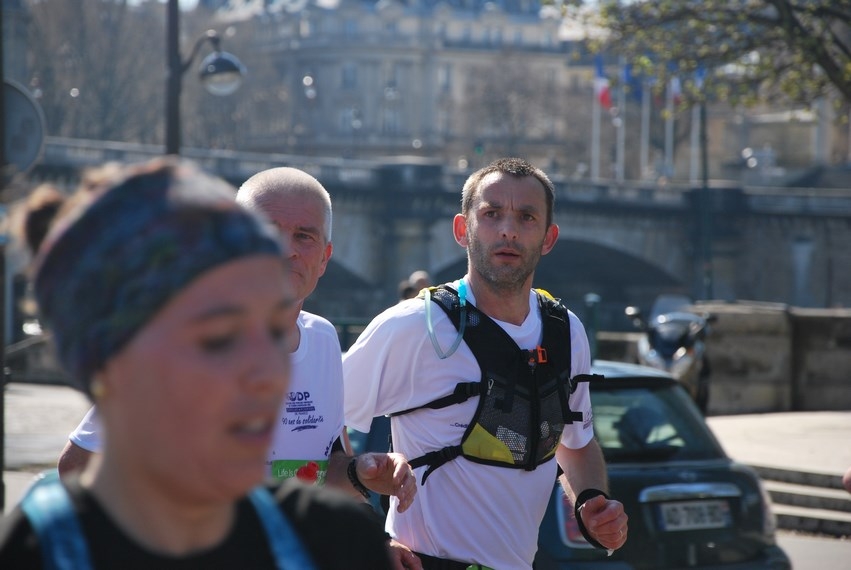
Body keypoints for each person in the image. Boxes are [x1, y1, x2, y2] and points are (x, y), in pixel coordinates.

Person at [0, 157, 392, 569]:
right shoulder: (49, 540)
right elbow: (78, 465)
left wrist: (357, 478)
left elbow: (320, 460)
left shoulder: (340, 533)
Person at [343, 157, 628, 569]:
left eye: (526, 217)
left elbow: (577, 444)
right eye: (491, 214)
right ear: (463, 230)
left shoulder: (567, 331)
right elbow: (317, 429)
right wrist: (369, 538)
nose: (508, 230)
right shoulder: (412, 326)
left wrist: (591, 502)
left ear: (549, 238)